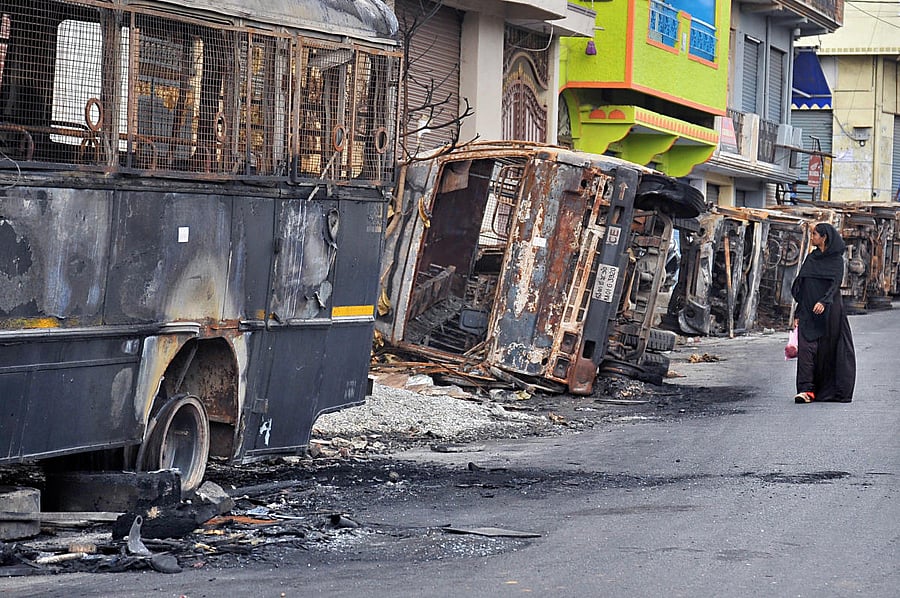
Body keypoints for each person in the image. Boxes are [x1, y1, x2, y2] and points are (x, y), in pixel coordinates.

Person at [790, 222, 856, 403]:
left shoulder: (836, 260)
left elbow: (835, 284)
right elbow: (802, 285)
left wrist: (824, 301)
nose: (812, 238)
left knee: (828, 350)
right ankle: (806, 390)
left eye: (814, 235)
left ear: (824, 237)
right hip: (808, 310)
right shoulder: (812, 258)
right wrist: (798, 312)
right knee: (805, 350)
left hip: (829, 311)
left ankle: (827, 390)